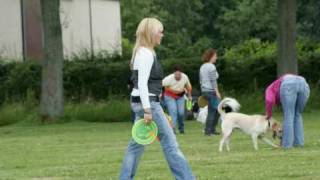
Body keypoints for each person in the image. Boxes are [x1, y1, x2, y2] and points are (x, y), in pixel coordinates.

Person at [119, 17, 195, 180]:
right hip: (148, 105)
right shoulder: (146, 54)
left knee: (137, 144)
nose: (162, 35)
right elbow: (142, 84)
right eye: (160, 32)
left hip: (139, 102)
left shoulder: (139, 52)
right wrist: (148, 110)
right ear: (151, 33)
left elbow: (138, 84)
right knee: (170, 143)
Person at [265, 74, 310, 149]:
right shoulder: (277, 84)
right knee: (297, 114)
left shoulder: (269, 89)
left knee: (289, 115)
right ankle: (298, 144)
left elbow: (269, 101)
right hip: (303, 82)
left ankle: (286, 145)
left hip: (288, 84)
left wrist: (268, 115)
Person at [162, 65, 192, 134]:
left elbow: (188, 87)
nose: (178, 76)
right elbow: (160, 85)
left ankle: (181, 129)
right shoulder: (168, 79)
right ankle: (172, 130)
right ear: (174, 74)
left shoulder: (185, 77)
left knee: (181, 113)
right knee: (173, 111)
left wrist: (189, 96)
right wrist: (160, 94)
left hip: (180, 96)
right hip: (170, 96)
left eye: (179, 74)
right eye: (176, 74)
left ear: (181, 73)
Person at [199, 49, 221, 136]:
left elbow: (201, 80)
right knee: (214, 111)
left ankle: (211, 130)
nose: (216, 57)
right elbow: (213, 80)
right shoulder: (211, 67)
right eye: (215, 56)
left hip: (204, 91)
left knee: (215, 110)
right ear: (211, 56)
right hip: (211, 91)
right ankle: (209, 131)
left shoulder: (202, 66)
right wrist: (217, 92)